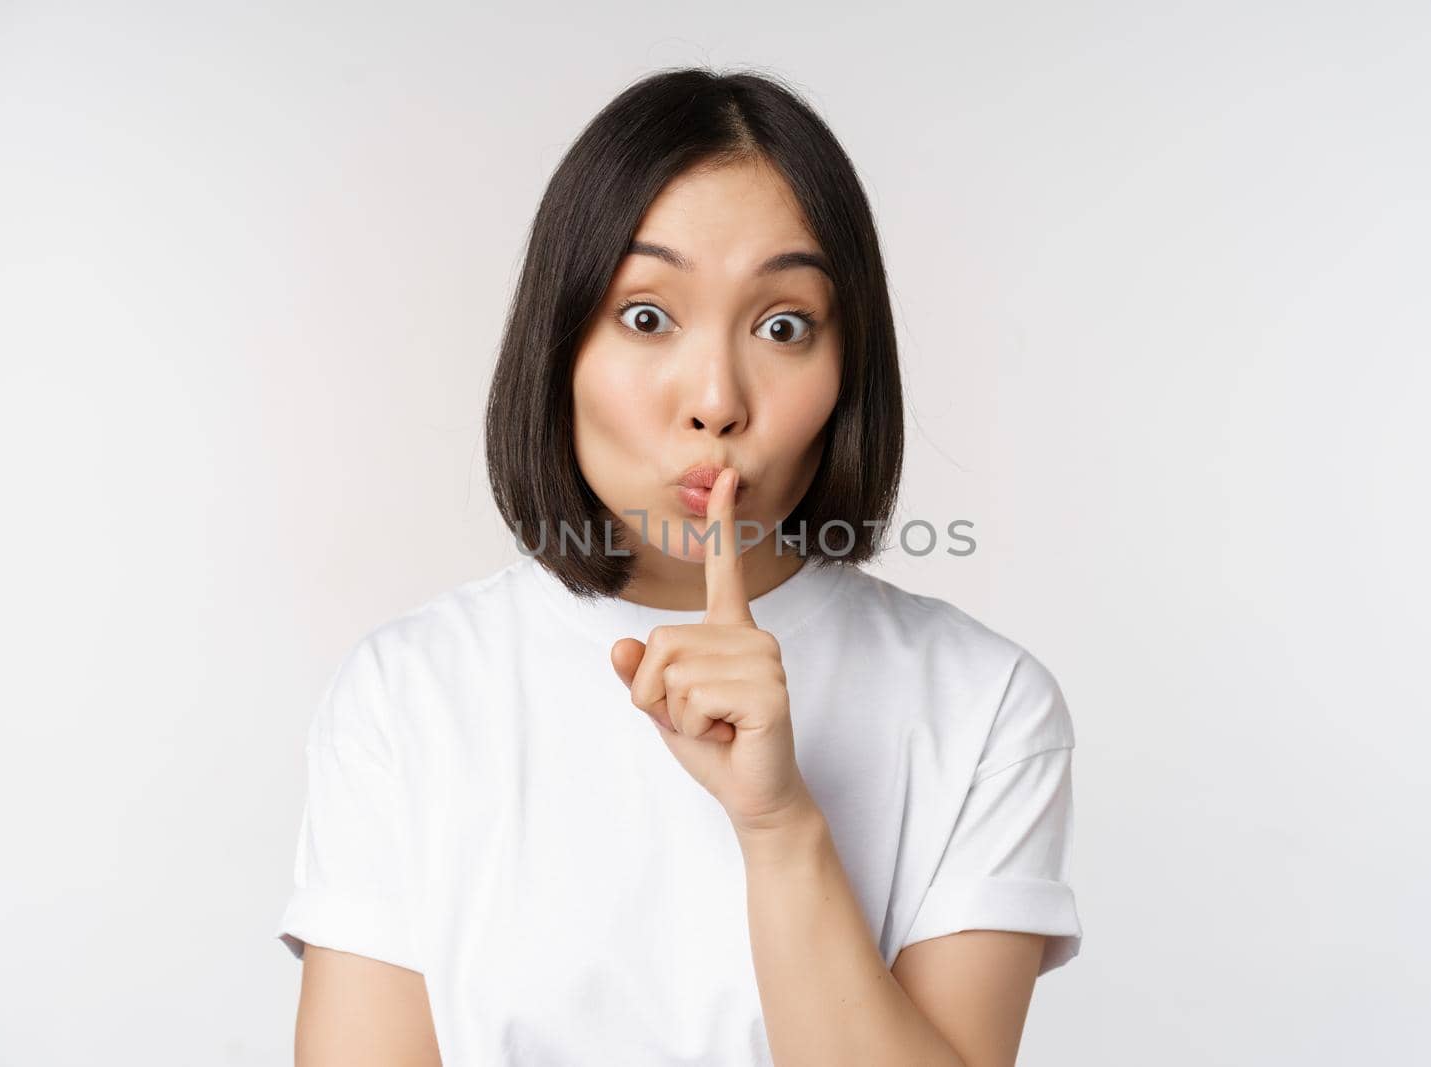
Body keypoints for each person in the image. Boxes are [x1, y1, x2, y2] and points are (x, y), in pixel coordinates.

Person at [276, 66, 1082, 1066]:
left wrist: (780, 825)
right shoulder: (410, 693)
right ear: (559, 341)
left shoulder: (983, 704)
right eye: (647, 315)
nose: (715, 399)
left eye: (783, 325)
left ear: (847, 368)